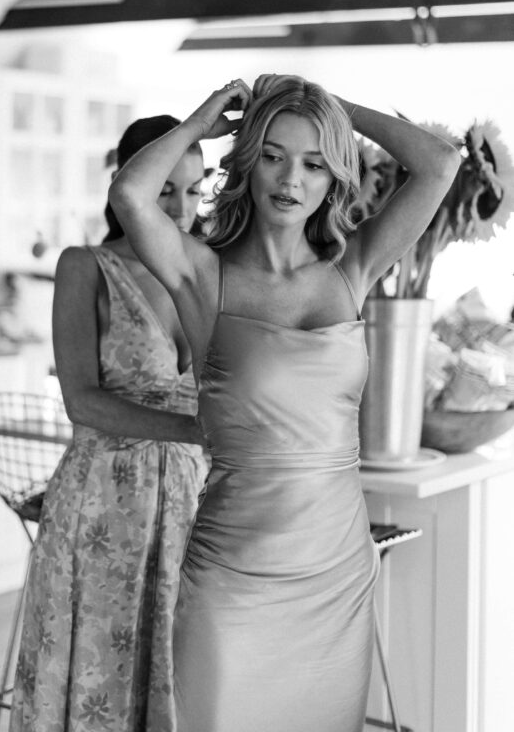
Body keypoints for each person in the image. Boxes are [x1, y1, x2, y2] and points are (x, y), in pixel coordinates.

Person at [109, 76, 460, 732]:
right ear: (246, 162)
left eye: (313, 162)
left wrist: (323, 105)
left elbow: (439, 163)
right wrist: (201, 120)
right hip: (233, 577)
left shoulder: (348, 272)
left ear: (334, 176)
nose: (290, 178)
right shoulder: (201, 275)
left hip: (335, 571)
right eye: (271, 155)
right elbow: (130, 195)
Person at [10, 116, 209, 732]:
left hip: (190, 503)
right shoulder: (85, 267)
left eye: (194, 189)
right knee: (97, 675)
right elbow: (83, 402)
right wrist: (199, 432)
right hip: (101, 505)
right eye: (164, 187)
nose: (180, 207)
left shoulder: (214, 268)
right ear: (129, 184)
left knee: (181, 671)